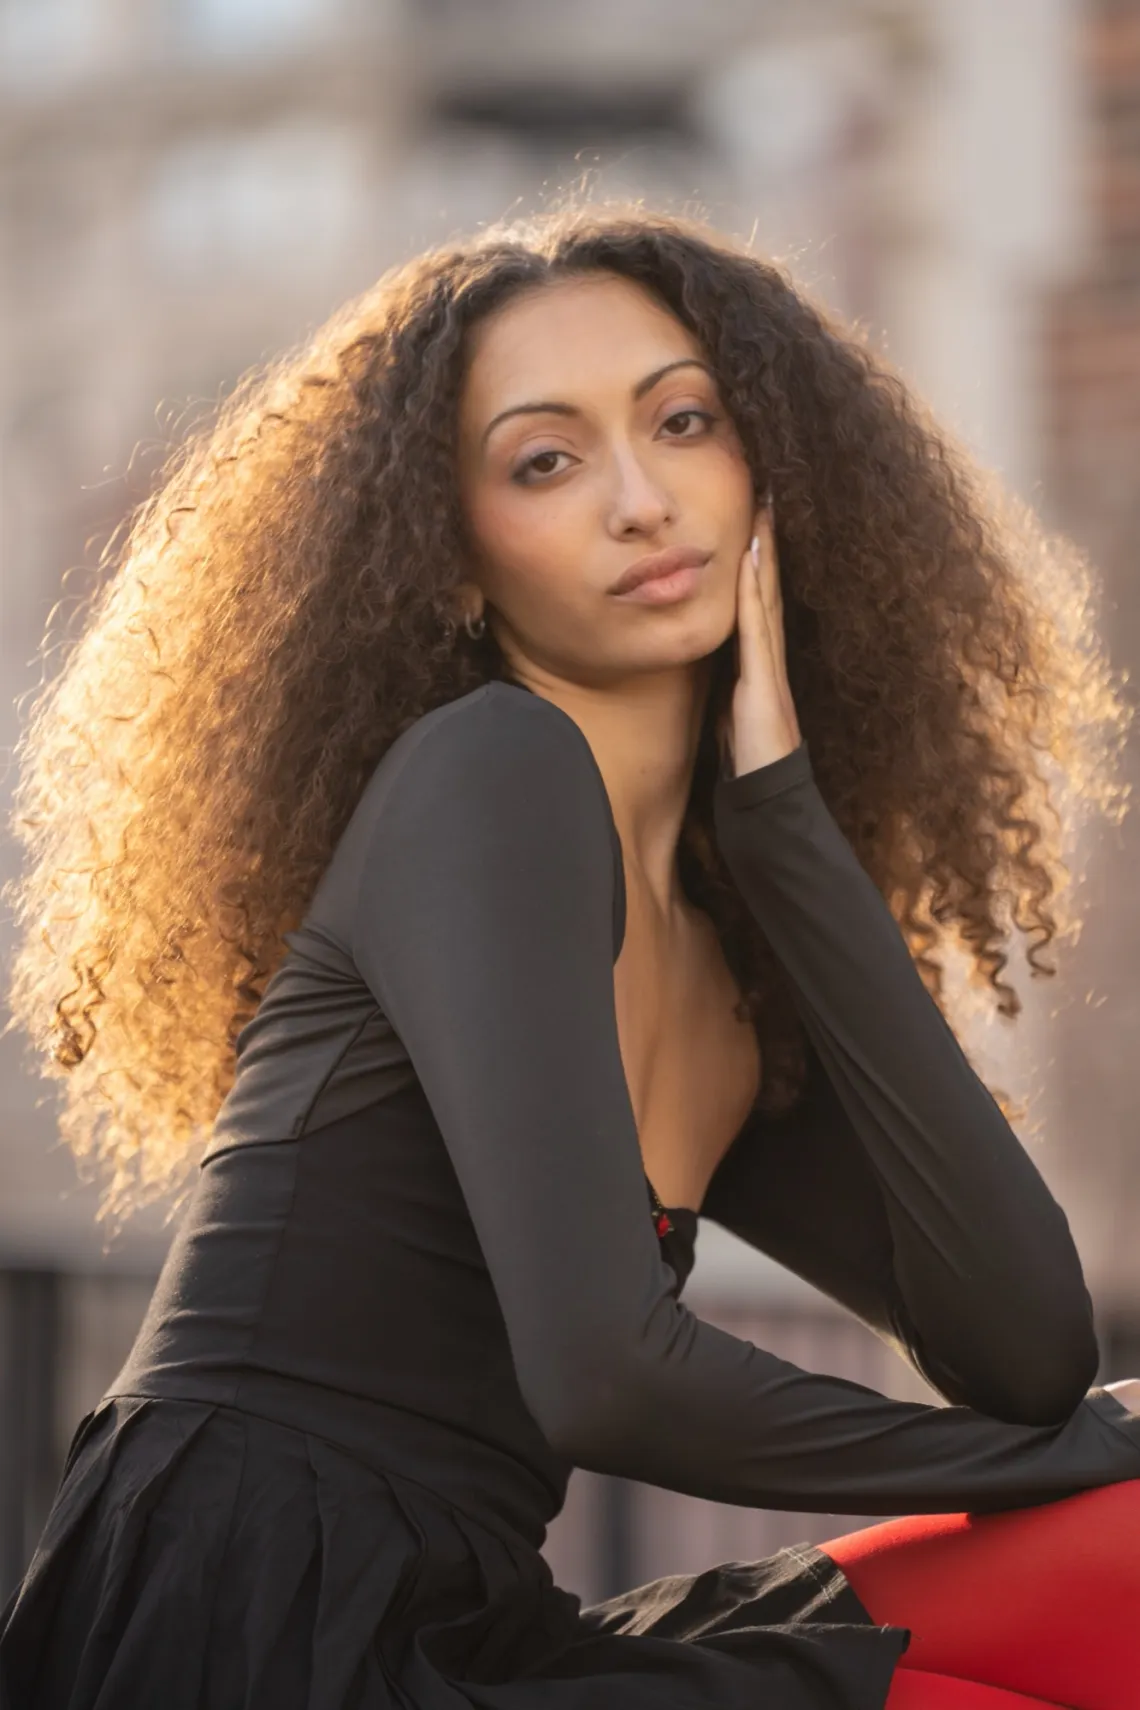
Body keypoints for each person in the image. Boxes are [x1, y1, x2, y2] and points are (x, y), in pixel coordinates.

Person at [1, 203, 1138, 1710]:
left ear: (773, 473)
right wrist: (1071, 1449)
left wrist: (788, 827)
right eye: (546, 459)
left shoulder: (725, 971)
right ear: (455, 563)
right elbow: (606, 1368)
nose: (639, 498)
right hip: (255, 1625)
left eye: (684, 422)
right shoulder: (487, 774)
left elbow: (1029, 1344)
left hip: (478, 1617)